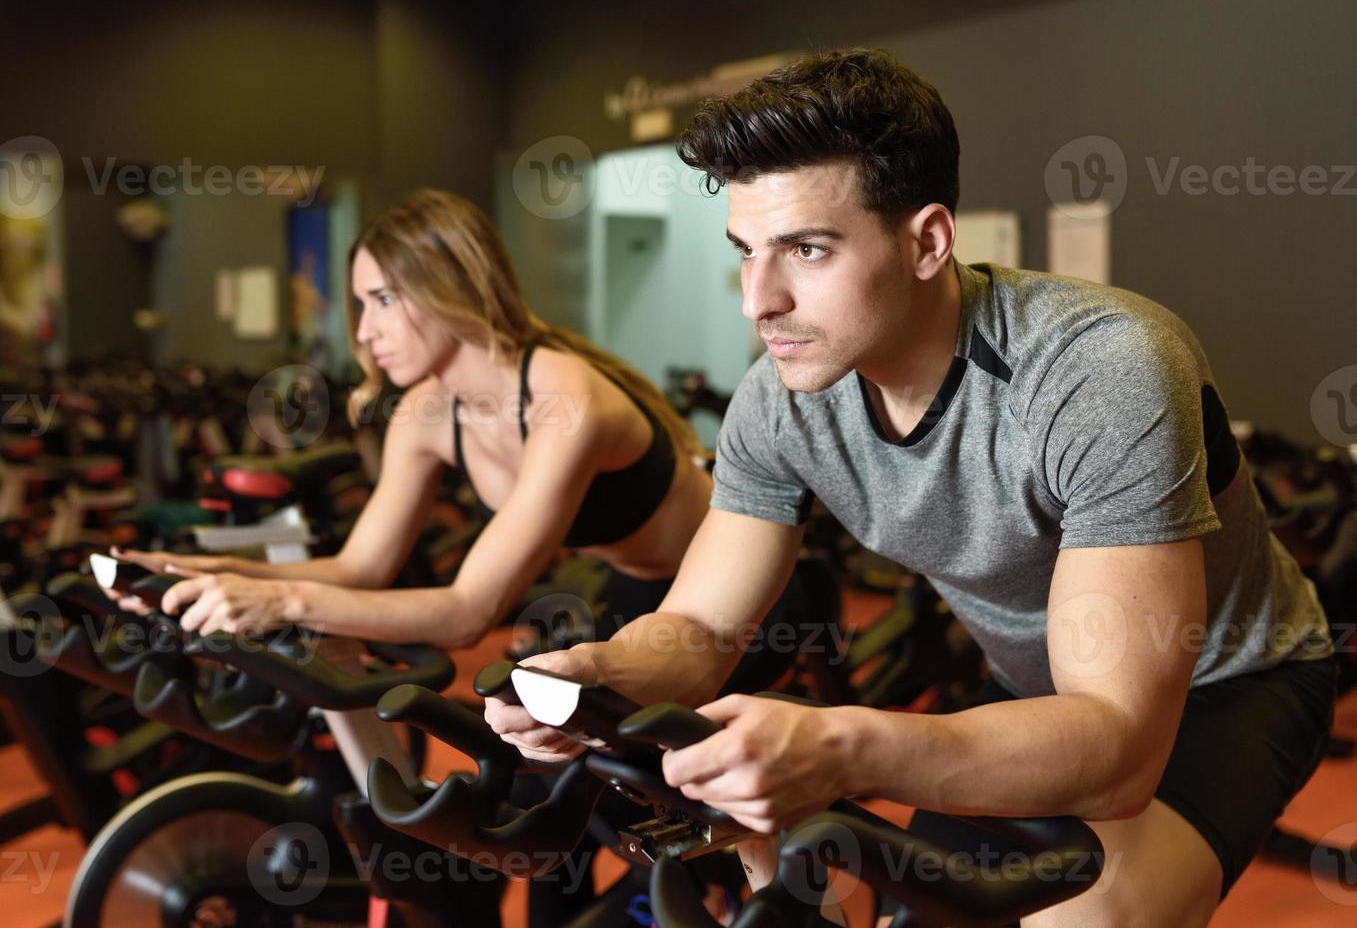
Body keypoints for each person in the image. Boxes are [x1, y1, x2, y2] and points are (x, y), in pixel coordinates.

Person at [485, 49, 1336, 925]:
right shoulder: (778, 400)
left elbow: (1116, 748)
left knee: (1077, 919)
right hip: (1045, 692)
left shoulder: (1100, 367)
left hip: (1232, 681)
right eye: (746, 252)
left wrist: (844, 743)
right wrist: (604, 673)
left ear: (927, 241)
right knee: (911, 909)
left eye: (805, 250)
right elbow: (701, 626)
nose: (757, 300)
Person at [108, 187, 806, 923]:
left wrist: (278, 600)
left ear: (449, 284)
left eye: (382, 299)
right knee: (543, 796)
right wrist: (212, 576)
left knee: (596, 787)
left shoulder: (562, 396)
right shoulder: (424, 411)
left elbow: (466, 612)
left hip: (737, 606)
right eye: (359, 304)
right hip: (630, 598)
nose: (364, 331)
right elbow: (359, 568)